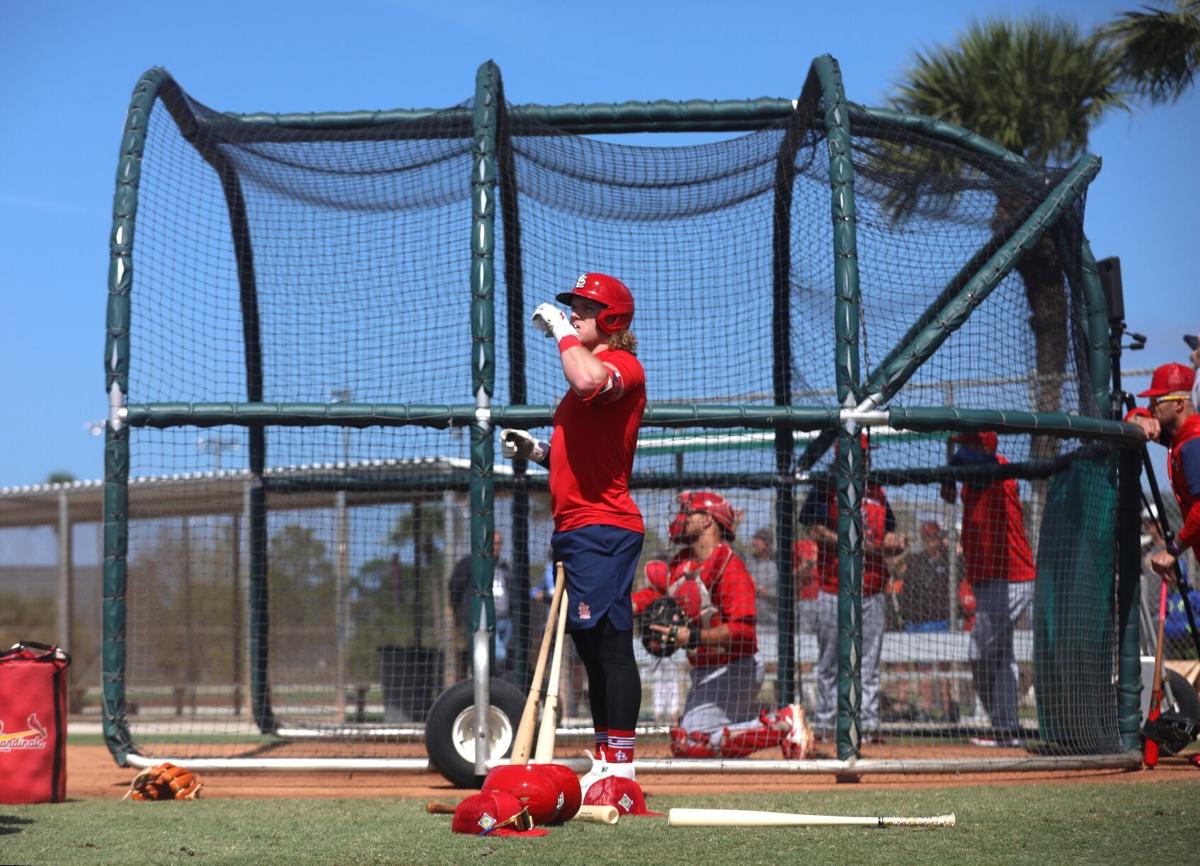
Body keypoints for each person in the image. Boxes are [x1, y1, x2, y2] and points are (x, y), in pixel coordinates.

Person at [499, 272, 646, 781]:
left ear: (611, 319)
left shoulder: (622, 365)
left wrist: (562, 331)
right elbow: (585, 462)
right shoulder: (588, 368)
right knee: (591, 646)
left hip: (604, 527)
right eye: (572, 307)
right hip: (578, 527)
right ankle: (608, 762)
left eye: (584, 307)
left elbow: (585, 379)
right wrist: (540, 452)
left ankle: (620, 774)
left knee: (609, 644)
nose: (575, 313)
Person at [632, 490, 811, 758]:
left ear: (707, 520)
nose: (681, 518)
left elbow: (744, 632)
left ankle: (782, 724)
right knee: (689, 743)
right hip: (704, 671)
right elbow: (654, 595)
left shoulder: (730, 566)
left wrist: (692, 637)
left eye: (688, 512)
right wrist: (621, 606)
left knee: (691, 743)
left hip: (735, 667)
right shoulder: (683, 563)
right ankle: (764, 727)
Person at [798, 433, 906, 743]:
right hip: (833, 588)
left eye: (867, 453)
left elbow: (884, 534)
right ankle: (825, 725)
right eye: (862, 453)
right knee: (830, 663)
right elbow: (814, 528)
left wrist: (894, 543)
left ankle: (868, 726)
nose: (868, 458)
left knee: (868, 663)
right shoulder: (825, 486)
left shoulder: (877, 490)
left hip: (872, 588)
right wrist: (847, 541)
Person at [940, 431, 1035, 747]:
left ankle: (1002, 725)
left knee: (979, 653)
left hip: (1008, 577)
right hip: (990, 577)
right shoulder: (974, 475)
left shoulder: (995, 468)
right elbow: (953, 488)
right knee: (1002, 657)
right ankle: (1006, 729)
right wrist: (949, 478)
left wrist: (952, 464)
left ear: (982, 446)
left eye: (967, 442)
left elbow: (968, 461)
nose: (961, 448)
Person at [1127, 363, 1200, 611]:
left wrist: (1174, 549)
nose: (1151, 407)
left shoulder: (1193, 442)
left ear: (1179, 404)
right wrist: (1137, 417)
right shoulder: (1181, 436)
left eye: (1157, 400)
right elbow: (1137, 416)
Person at [449, 530, 511, 677]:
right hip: (481, 621)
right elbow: (454, 588)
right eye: (494, 543)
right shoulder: (468, 564)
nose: (497, 546)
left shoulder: (503, 566)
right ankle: (479, 683)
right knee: (496, 655)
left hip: (505, 620)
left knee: (501, 656)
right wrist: (460, 612)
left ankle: (493, 683)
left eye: (499, 543)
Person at [747, 527, 780, 673]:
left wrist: (766, 594)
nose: (754, 543)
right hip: (754, 622)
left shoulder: (777, 565)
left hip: (774, 622)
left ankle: (778, 696)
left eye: (758, 540)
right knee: (754, 664)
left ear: (767, 543)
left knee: (775, 664)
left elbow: (785, 596)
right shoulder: (750, 562)